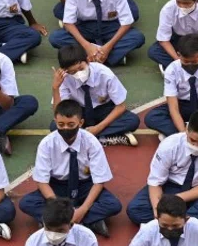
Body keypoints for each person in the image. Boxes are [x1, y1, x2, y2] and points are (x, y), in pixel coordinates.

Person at [18, 100, 123, 238]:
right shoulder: (47, 144)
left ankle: (54, 221)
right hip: (57, 186)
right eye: (61, 124)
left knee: (113, 205)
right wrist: (58, 206)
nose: (66, 128)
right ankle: (90, 221)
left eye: (71, 124)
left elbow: (99, 182)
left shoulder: (91, 142)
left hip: (85, 186)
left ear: (80, 123)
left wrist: (83, 210)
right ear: (55, 121)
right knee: (27, 203)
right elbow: (42, 182)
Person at [127, 111, 198, 229]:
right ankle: (194, 225)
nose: (196, 146)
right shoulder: (169, 145)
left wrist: (175, 200)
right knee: (136, 209)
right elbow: (155, 183)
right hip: (169, 187)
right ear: (186, 129)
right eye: (192, 140)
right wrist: (158, 211)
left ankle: (166, 225)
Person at [51, 44, 140, 146]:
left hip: (104, 109)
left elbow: (121, 106)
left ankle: (82, 138)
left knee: (132, 121)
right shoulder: (64, 78)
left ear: (88, 60)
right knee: (55, 126)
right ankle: (104, 138)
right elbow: (58, 113)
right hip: (79, 111)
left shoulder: (105, 74)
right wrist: (55, 87)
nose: (78, 74)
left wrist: (98, 128)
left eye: (81, 68)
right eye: (72, 72)